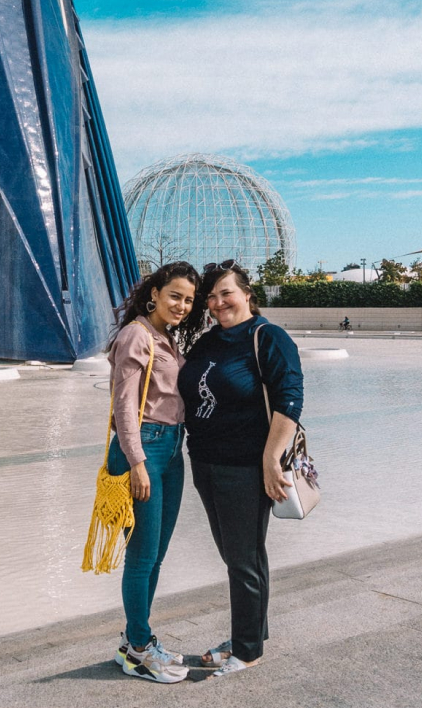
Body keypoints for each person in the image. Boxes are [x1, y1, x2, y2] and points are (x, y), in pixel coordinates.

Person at [178, 259, 304, 678]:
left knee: (242, 559)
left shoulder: (268, 337)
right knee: (242, 556)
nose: (217, 303)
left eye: (225, 293)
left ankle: (247, 650)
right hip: (207, 463)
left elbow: (290, 400)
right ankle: (251, 634)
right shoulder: (209, 342)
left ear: (247, 294)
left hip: (246, 467)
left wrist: (270, 460)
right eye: (211, 297)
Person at [106, 261, 204, 683]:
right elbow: (124, 406)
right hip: (143, 448)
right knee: (142, 555)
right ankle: (139, 650)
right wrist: (137, 462)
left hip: (171, 448)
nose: (182, 305)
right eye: (175, 296)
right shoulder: (136, 336)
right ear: (155, 293)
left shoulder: (165, 337)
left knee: (156, 553)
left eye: (188, 299)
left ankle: (136, 640)